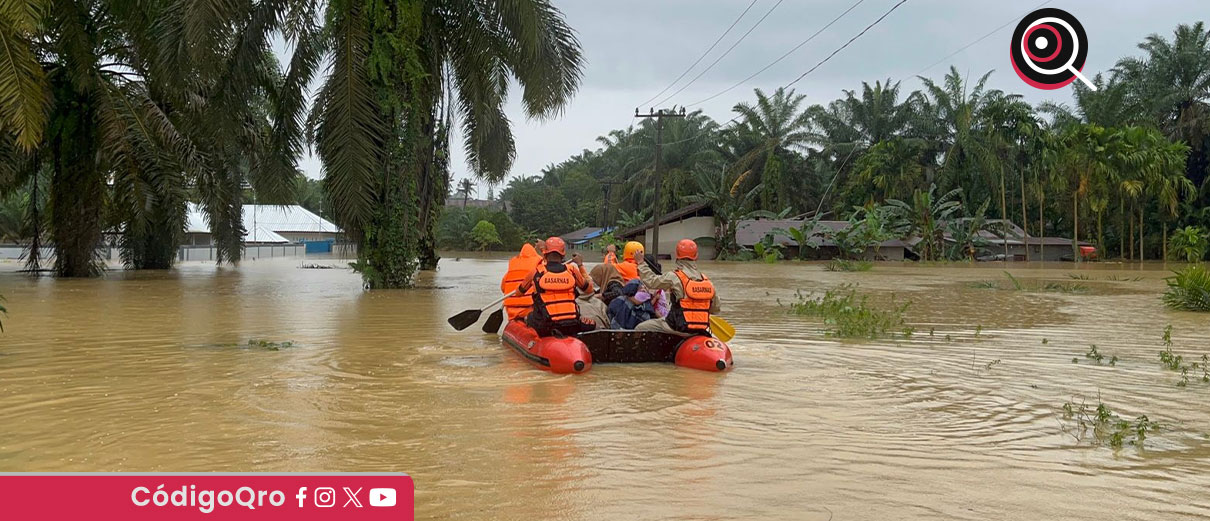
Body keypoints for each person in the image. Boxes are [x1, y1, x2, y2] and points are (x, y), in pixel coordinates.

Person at [635, 239, 720, 337]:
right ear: (696, 257)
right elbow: (715, 309)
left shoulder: (674, 276)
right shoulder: (707, 281)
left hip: (677, 327)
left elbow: (651, 282)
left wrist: (641, 263)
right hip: (700, 329)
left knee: (640, 328)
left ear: (677, 255)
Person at [517, 237, 595, 337]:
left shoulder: (536, 272)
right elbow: (589, 290)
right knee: (591, 324)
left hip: (546, 326)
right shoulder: (572, 270)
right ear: (563, 254)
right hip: (572, 324)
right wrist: (580, 265)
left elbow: (519, 293)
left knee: (530, 316)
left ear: (545, 253)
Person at [500, 243, 543, 320]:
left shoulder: (510, 271)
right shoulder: (538, 268)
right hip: (529, 308)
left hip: (511, 309)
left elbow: (503, 288)